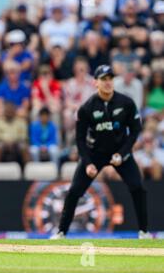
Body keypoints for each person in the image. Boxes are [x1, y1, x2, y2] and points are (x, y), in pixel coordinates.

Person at [50, 65, 152, 240]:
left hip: (120, 153)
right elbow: (80, 139)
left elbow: (135, 130)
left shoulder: (126, 103)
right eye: (103, 79)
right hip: (95, 154)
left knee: (138, 187)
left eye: (110, 79)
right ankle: (61, 232)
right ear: (95, 82)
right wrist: (88, 162)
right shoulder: (87, 108)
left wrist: (123, 153)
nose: (107, 82)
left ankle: (144, 232)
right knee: (74, 191)